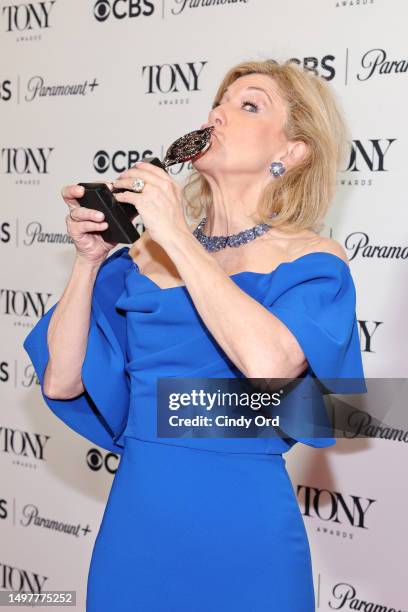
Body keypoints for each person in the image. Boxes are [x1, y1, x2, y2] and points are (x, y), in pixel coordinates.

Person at [23, 59, 366, 611]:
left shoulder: (312, 260)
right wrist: (89, 263)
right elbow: (62, 380)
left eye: (248, 104)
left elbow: (271, 367)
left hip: (246, 533)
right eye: (220, 102)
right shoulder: (140, 259)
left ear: (292, 151)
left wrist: (178, 235)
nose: (219, 114)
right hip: (139, 527)